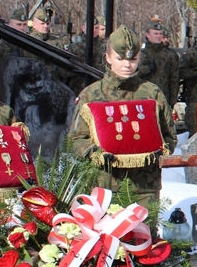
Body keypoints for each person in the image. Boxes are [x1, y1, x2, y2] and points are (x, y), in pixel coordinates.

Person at [68, 26, 177, 204]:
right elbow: (75, 138)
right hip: (103, 186)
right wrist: (94, 153)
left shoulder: (152, 93)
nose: (127, 65)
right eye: (120, 59)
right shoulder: (91, 94)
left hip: (145, 187)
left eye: (133, 59)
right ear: (108, 58)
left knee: (144, 232)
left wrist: (157, 150)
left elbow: (169, 136)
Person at [138, 17, 180, 108]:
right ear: (147, 35)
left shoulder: (169, 55)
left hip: (163, 98)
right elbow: (134, 74)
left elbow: (174, 79)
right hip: (144, 97)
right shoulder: (141, 54)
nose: (158, 36)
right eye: (155, 33)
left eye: (160, 34)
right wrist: (148, 68)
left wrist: (173, 101)